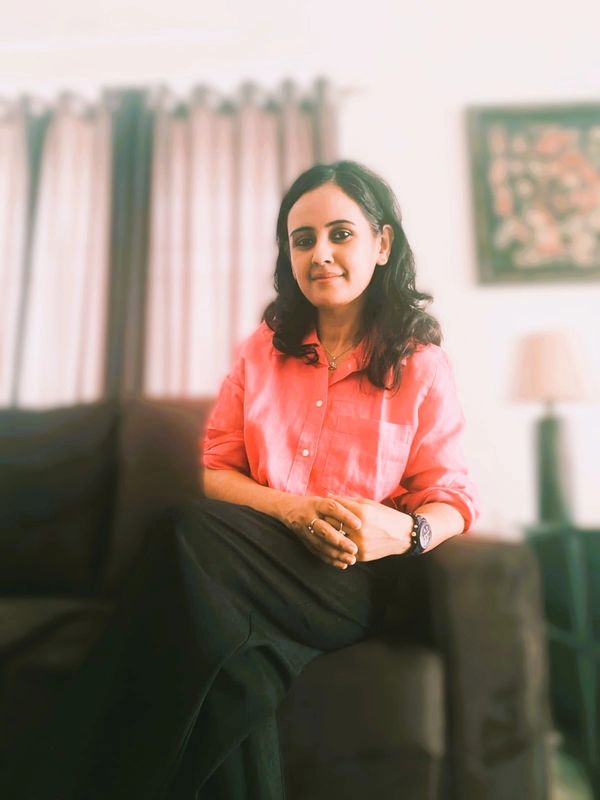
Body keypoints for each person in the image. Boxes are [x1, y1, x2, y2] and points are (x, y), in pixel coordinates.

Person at [7, 160, 478, 799]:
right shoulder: (263, 350)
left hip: (349, 579)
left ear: (382, 244)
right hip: (257, 560)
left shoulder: (421, 364)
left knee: (180, 532)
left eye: (341, 234)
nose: (321, 254)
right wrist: (293, 510)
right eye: (303, 238)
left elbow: (451, 495)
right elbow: (215, 473)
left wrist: (405, 533)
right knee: (241, 675)